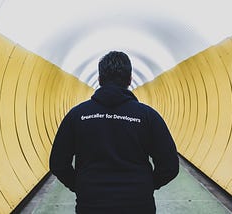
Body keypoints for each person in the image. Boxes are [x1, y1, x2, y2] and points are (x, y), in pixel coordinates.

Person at [49, 51, 179, 214]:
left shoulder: (77, 115)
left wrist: (81, 186)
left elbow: (58, 163)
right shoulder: (148, 116)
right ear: (130, 79)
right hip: (138, 205)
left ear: (99, 79)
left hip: (91, 205)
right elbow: (170, 165)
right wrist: (146, 185)